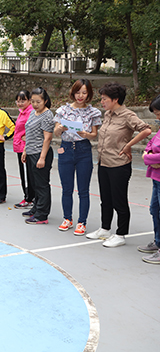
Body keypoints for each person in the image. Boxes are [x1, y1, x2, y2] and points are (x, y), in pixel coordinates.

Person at [86, 83, 151, 247]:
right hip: (104, 162)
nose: (102, 102)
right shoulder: (108, 114)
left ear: (115, 99)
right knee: (105, 199)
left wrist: (128, 145)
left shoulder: (128, 115)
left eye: (104, 99)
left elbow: (146, 130)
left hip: (119, 164)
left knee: (119, 200)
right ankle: (105, 228)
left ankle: (121, 234)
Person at [53, 79, 102, 235]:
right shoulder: (63, 110)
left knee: (83, 189)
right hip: (66, 148)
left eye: (84, 92)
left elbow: (94, 134)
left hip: (83, 150)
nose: (80, 96)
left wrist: (86, 134)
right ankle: (67, 218)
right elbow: (56, 132)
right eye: (78, 92)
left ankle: (82, 222)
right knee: (66, 188)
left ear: (89, 94)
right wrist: (60, 128)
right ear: (73, 93)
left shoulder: (93, 112)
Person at [22, 88, 54, 225]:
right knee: (34, 184)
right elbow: (28, 134)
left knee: (42, 185)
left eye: (38, 102)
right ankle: (36, 208)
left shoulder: (47, 115)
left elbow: (47, 138)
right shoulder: (33, 113)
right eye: (33, 101)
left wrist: (42, 157)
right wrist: (25, 150)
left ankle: (42, 214)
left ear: (45, 101)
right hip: (31, 152)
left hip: (40, 153)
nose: (35, 104)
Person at [140, 95, 160, 263]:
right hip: (156, 178)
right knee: (154, 210)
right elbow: (150, 144)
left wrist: (148, 158)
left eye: (158, 113)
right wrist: (148, 155)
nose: (157, 117)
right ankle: (158, 241)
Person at [12, 90, 34, 210]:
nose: (20, 103)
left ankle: (29, 198)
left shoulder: (30, 112)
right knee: (23, 173)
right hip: (19, 146)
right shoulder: (22, 112)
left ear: (29, 101)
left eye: (23, 100)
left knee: (27, 174)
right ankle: (27, 197)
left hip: (25, 147)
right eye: (18, 101)